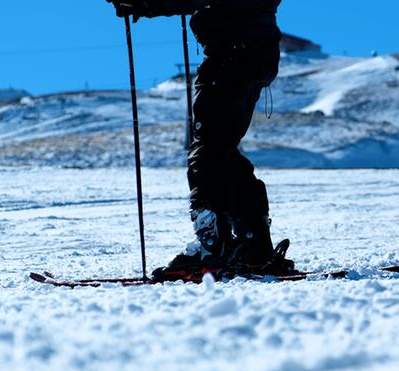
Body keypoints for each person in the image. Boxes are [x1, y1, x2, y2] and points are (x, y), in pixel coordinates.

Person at [106, 0, 293, 279]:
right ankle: (253, 244)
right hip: (248, 51)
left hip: (234, 52)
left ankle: (212, 248)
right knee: (220, 149)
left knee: (207, 150)